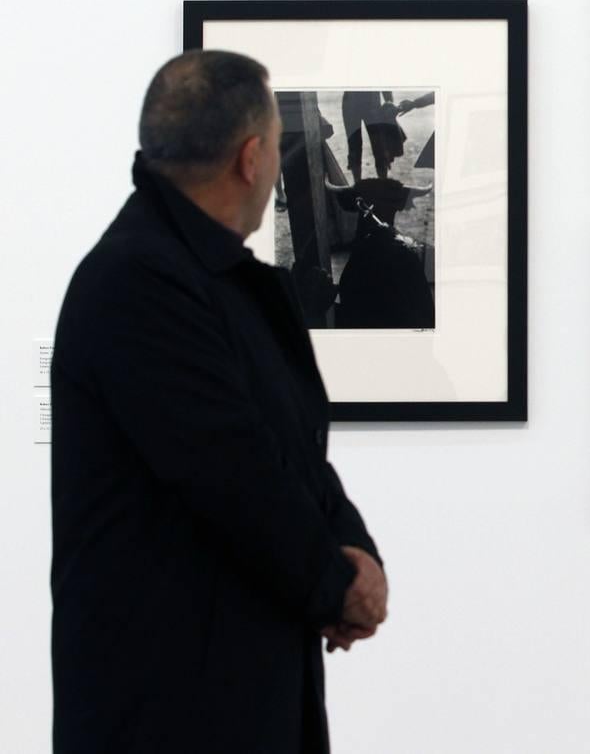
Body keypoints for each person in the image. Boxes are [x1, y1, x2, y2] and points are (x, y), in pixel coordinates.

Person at [51, 51, 388, 753]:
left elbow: (293, 448)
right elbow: (233, 471)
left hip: (236, 681)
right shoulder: (136, 281)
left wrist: (353, 546)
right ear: (253, 156)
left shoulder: (218, 279)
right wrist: (335, 585)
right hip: (168, 703)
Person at [341, 90, 406, 180]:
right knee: (354, 147)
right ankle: (357, 185)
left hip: (372, 103)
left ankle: (383, 184)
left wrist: (389, 102)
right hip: (351, 103)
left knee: (380, 147)